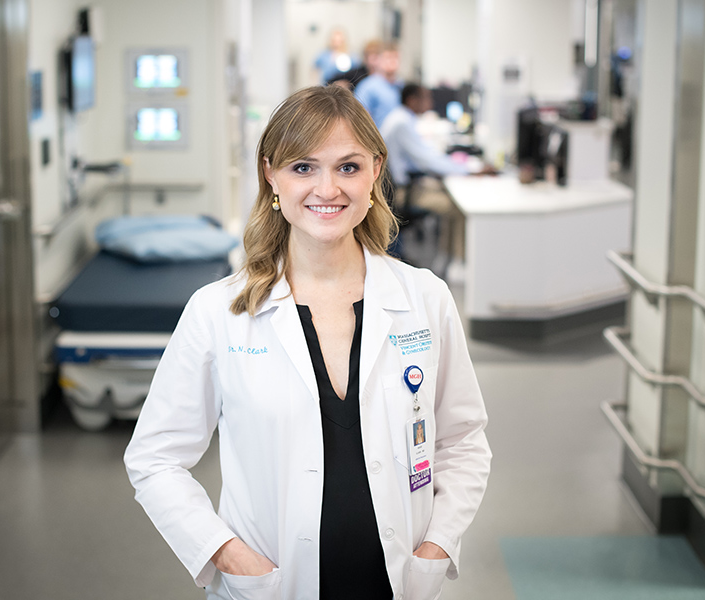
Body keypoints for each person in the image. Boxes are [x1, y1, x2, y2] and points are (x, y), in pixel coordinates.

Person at [124, 85, 491, 600]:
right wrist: (226, 552)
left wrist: (438, 545)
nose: (327, 189)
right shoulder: (218, 312)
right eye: (303, 167)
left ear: (375, 172)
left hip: (397, 581)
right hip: (272, 584)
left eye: (348, 167)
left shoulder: (424, 299)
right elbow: (155, 457)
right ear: (270, 173)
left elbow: (463, 439)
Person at [379, 83, 471, 187]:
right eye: (426, 98)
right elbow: (426, 161)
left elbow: (427, 153)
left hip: (406, 183)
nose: (431, 102)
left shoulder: (403, 117)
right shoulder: (402, 122)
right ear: (412, 100)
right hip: (402, 189)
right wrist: (467, 171)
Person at [353, 42, 402, 126]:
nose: (392, 61)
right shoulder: (368, 86)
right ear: (380, 60)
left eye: (395, 57)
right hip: (379, 137)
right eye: (388, 58)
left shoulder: (400, 86)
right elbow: (359, 117)